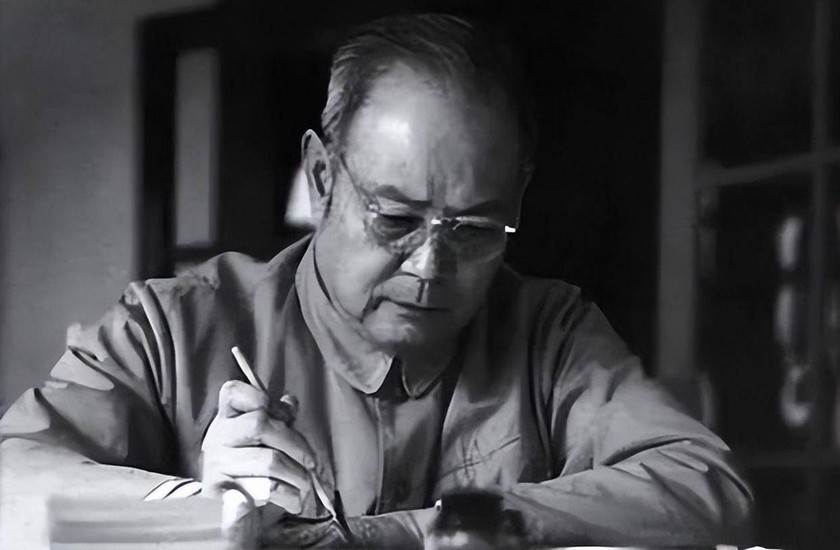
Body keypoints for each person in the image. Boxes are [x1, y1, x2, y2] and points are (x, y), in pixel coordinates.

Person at [0, 13, 753, 548]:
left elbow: (702, 485)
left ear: (517, 204)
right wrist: (199, 508)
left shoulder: (550, 336)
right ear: (322, 177)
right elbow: (12, 481)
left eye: (475, 230)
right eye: (395, 219)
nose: (430, 268)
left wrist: (413, 533)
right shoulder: (172, 330)